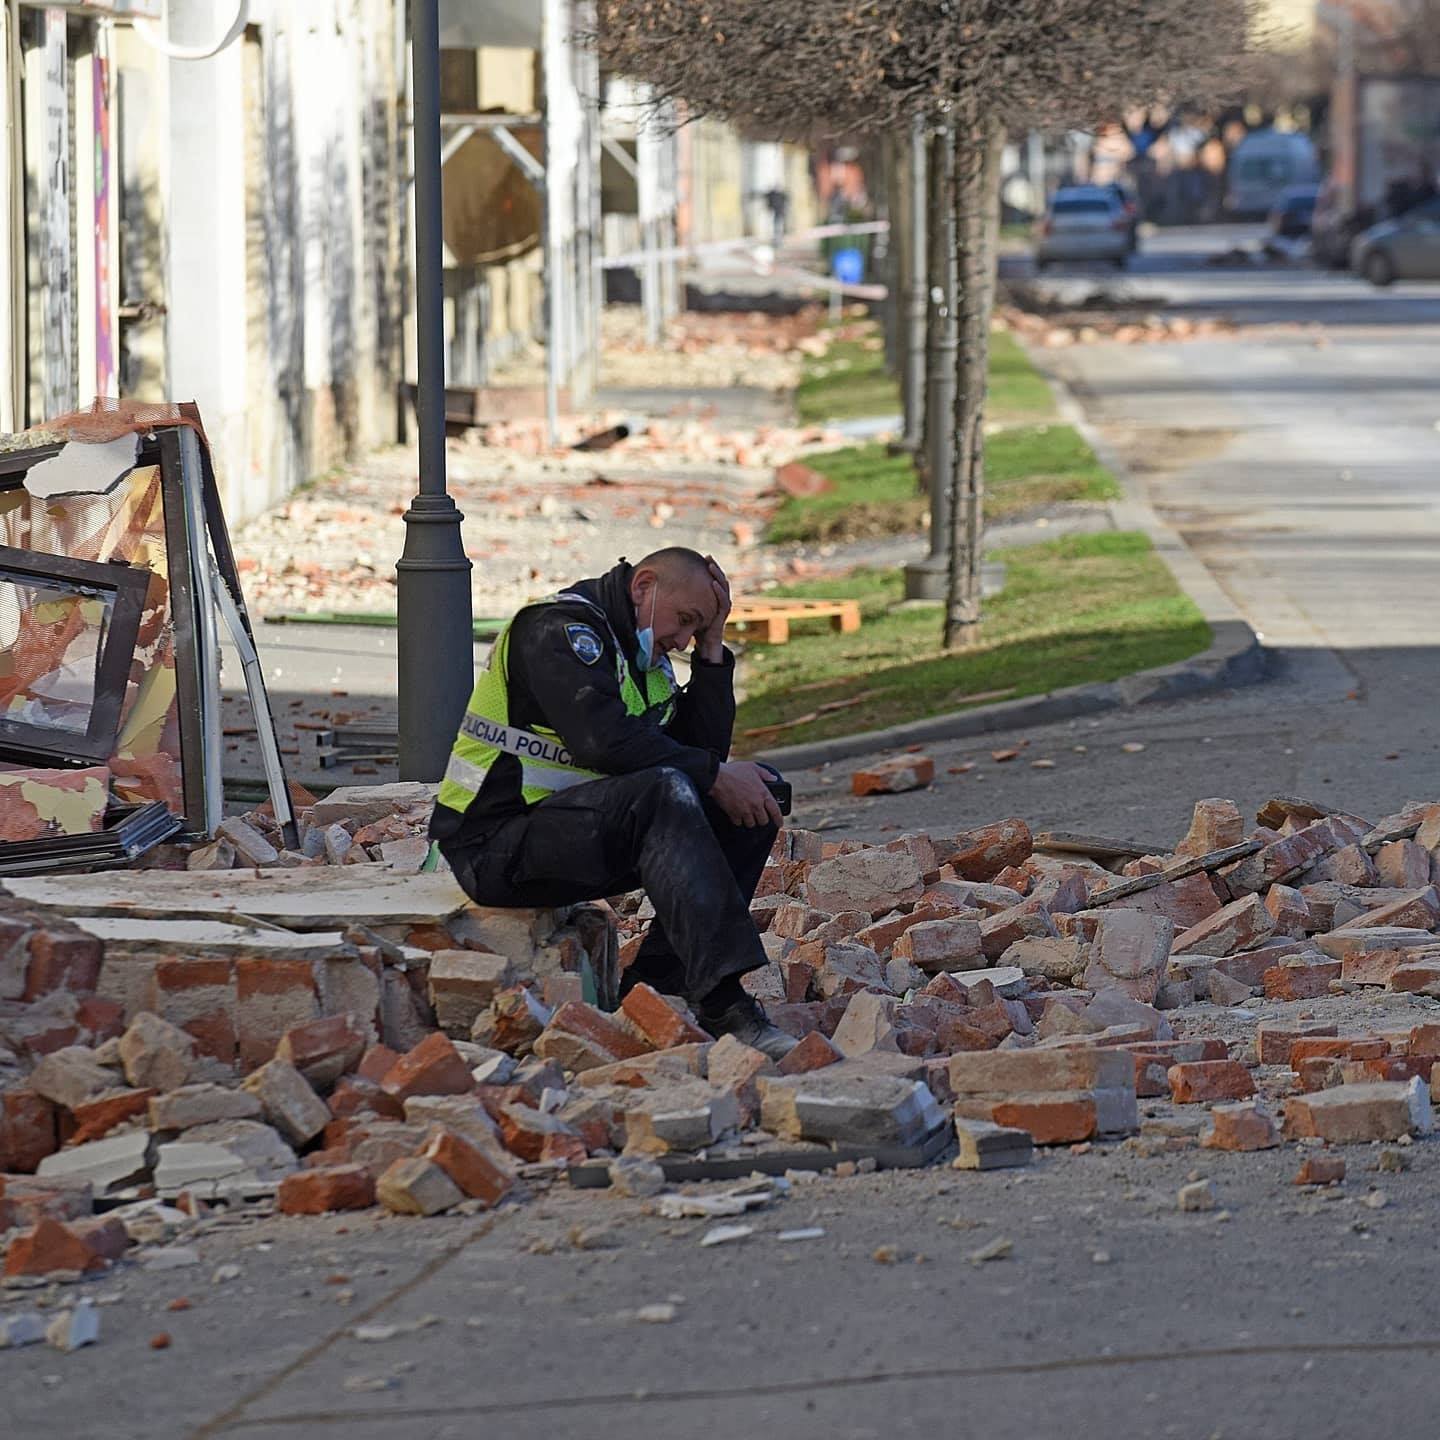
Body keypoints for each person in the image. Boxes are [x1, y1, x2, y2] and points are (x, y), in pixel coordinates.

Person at [430, 547, 797, 1060]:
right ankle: (723, 1003)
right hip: (493, 845)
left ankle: (659, 987)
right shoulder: (557, 630)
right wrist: (712, 775)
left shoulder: (643, 656)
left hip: (571, 833)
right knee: (668, 789)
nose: (682, 639)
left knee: (758, 793)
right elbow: (600, 741)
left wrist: (713, 650)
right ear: (644, 586)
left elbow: (707, 755)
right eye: (686, 621)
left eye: (697, 629)